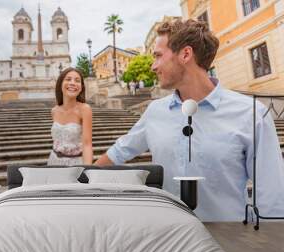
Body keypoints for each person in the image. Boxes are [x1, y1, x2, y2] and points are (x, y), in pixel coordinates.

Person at [95, 19, 284, 221]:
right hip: (168, 239)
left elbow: (272, 200)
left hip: (229, 243)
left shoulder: (253, 114)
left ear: (185, 54)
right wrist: (79, 182)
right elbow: (119, 151)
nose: (153, 66)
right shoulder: (155, 112)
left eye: (158, 56)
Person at [47, 67, 93, 166]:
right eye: (68, 79)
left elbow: (87, 144)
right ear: (60, 84)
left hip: (75, 164)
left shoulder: (85, 109)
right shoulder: (54, 111)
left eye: (77, 81)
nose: (72, 83)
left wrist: (87, 170)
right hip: (53, 161)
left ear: (81, 87)